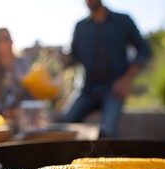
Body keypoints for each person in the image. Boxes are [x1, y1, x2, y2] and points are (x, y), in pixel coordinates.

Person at [59, 0, 152, 138]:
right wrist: (64, 59)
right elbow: (73, 58)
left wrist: (126, 80)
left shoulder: (123, 21)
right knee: (63, 124)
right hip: (87, 90)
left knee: (106, 133)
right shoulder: (80, 27)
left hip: (114, 88)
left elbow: (144, 50)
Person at [0, 28, 31, 117]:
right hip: (3, 120)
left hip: (27, 117)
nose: (10, 42)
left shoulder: (22, 64)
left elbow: (32, 94)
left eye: (10, 38)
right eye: (5, 39)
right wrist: (7, 112)